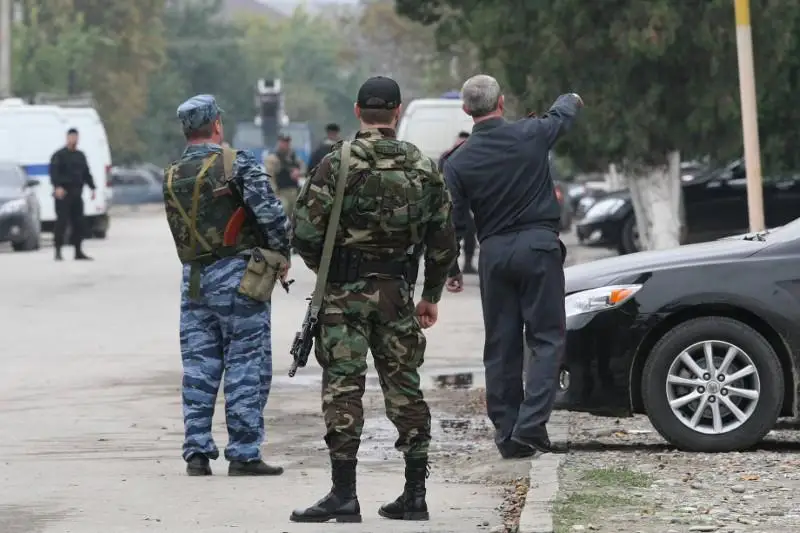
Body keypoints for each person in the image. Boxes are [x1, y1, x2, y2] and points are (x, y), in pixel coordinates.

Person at [290, 76, 458, 523]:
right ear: (397, 111)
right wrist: (431, 294)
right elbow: (444, 241)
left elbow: (304, 232)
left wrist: (331, 272)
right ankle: (415, 495)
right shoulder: (423, 167)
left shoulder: (336, 162)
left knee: (344, 388)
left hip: (343, 296)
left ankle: (344, 495)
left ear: (358, 110)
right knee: (404, 388)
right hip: (397, 295)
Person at [441, 75, 582, 459]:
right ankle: (532, 425)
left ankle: (507, 433)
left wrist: (452, 267)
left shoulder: (457, 161)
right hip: (539, 246)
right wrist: (570, 96)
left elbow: (452, 220)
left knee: (501, 345)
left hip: (495, 253)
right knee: (546, 339)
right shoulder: (531, 134)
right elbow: (563, 114)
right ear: (501, 102)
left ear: (466, 110)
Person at [163, 94, 291, 477]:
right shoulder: (236, 163)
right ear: (216, 123)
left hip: (195, 281)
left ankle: (197, 452)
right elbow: (270, 215)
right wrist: (281, 255)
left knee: (199, 367)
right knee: (246, 362)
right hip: (239, 278)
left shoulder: (172, 172)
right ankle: (244, 452)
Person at [49, 128, 95, 261]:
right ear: (67, 138)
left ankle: (78, 251)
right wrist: (57, 187)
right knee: (61, 223)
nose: (74, 140)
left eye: (76, 137)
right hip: (63, 193)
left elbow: (86, 173)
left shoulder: (80, 156)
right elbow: (54, 173)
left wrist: (92, 188)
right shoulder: (59, 155)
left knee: (79, 223)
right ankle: (58, 251)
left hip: (77, 193)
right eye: (72, 137)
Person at [439, 131, 477, 274]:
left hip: (465, 203)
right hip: (448, 202)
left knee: (469, 232)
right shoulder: (446, 157)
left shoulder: (471, 159)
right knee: (449, 233)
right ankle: (449, 265)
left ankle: (467, 263)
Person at [265, 134, 305, 219]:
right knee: (284, 211)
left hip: (294, 191)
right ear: (279, 142)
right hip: (281, 192)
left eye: (287, 142)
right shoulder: (273, 158)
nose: (286, 144)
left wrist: (298, 172)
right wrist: (275, 194)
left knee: (297, 215)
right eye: (283, 142)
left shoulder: (293, 156)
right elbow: (270, 178)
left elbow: (304, 169)